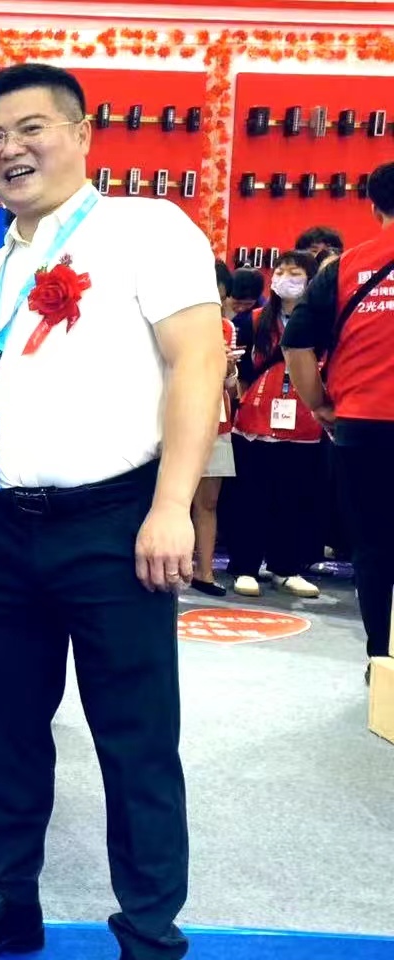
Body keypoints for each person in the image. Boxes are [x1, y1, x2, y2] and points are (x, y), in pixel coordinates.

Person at [0, 63, 225, 960]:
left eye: (31, 129)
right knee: (9, 731)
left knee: (135, 737)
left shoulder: (146, 229)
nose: (10, 150)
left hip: (116, 526)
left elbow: (199, 360)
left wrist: (173, 505)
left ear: (82, 132)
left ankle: (149, 929)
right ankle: (6, 899)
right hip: (4, 530)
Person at [284, 161, 394, 677]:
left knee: (373, 544)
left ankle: (382, 659)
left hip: (362, 424)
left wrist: (319, 404)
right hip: (364, 423)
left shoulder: (346, 268)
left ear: (374, 208)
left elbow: (296, 343)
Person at [224, 251, 325, 599]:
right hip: (256, 422)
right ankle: (245, 566)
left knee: (294, 499)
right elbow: (238, 370)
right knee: (251, 497)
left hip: (304, 423)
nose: (285, 278)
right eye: (280, 271)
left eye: (295, 272)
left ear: (311, 281)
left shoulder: (322, 323)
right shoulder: (253, 321)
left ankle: (285, 568)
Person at [190, 261, 240, 596]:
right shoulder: (166, 321)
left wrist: (229, 369)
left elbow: (230, 385)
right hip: (170, 419)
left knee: (207, 502)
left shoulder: (226, 327)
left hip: (215, 420)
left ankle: (204, 572)